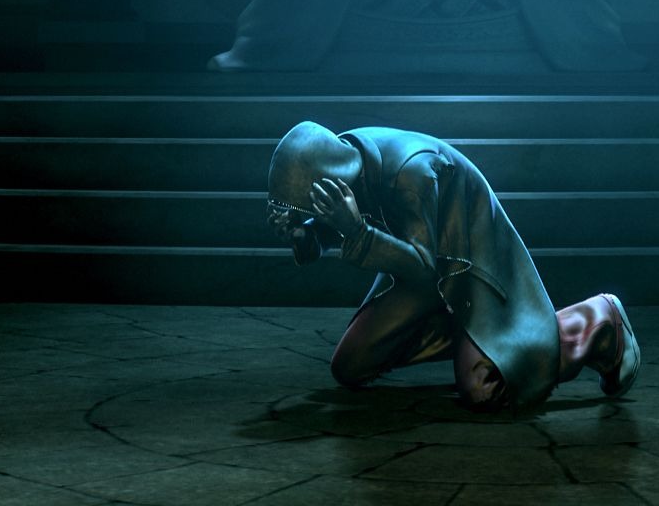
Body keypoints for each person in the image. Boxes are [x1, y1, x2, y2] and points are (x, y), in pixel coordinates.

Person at [266, 121, 639, 411]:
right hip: (419, 273)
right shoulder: (348, 158)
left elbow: (423, 264)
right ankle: (470, 334)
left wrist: (356, 232)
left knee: (484, 389)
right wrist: (305, 235)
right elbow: (339, 228)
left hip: (466, 258)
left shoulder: (411, 173)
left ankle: (593, 322)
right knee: (350, 366)